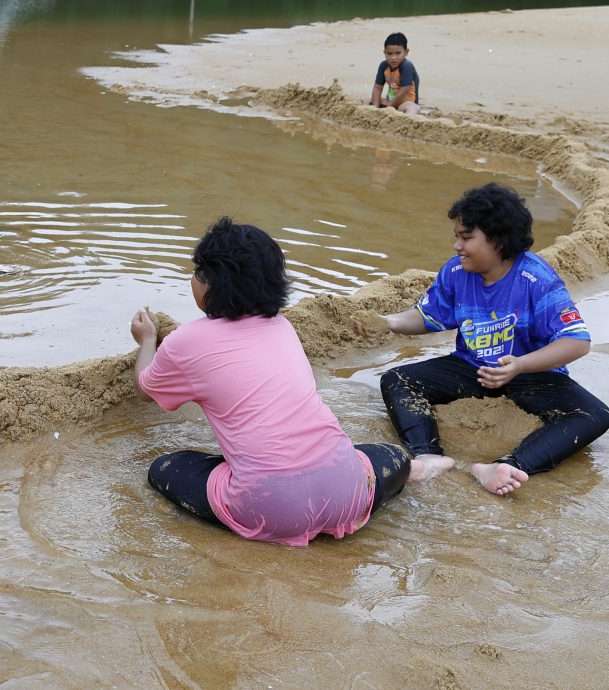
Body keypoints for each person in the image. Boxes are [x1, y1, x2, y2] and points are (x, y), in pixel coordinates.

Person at [129, 218, 452, 547]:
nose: (193, 278)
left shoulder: (185, 341)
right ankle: (413, 472)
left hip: (271, 507)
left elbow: (145, 388)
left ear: (213, 284)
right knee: (389, 456)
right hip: (346, 493)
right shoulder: (281, 326)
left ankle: (267, 510)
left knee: (167, 467)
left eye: (198, 271)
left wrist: (147, 340)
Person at [354, 183, 609, 496]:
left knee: (596, 415)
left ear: (498, 241)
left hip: (530, 374)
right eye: (457, 236)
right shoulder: (456, 272)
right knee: (398, 380)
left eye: (466, 237)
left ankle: (509, 464)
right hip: (472, 368)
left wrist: (520, 364)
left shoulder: (536, 279)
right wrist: (388, 322)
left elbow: (577, 342)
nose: (457, 246)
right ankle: (428, 454)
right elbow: (429, 316)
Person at [367, 32, 421, 115]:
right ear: (384, 53)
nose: (393, 58)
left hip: (405, 104)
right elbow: (377, 88)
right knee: (366, 101)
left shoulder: (407, 66)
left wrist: (389, 109)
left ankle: (406, 121)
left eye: (398, 53)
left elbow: (404, 92)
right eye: (389, 53)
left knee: (413, 108)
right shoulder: (383, 65)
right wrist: (375, 109)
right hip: (390, 102)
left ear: (406, 52)